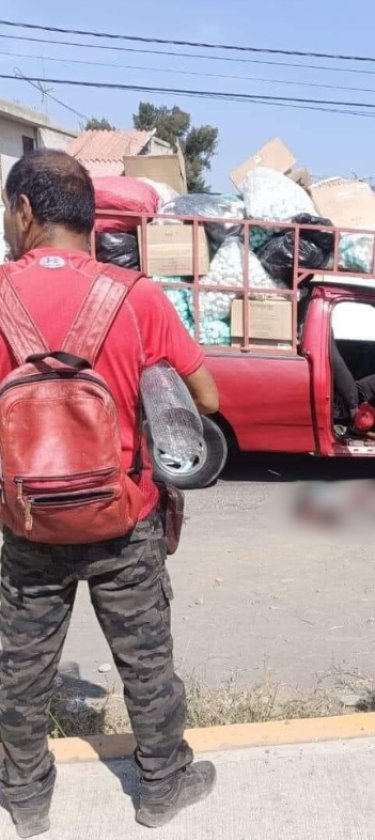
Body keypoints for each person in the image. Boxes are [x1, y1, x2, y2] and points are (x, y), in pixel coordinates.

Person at [0, 150, 219, 837]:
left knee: (20, 669)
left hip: (27, 523)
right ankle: (162, 787)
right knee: (146, 661)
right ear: (90, 221)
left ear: (25, 212)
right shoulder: (138, 297)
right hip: (126, 520)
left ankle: (27, 800)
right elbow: (205, 400)